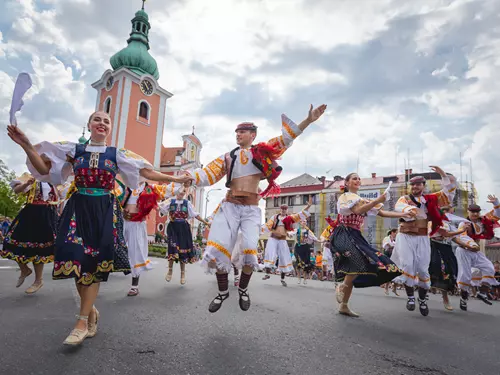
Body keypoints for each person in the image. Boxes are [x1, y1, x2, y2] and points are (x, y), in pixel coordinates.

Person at [7, 111, 191, 345]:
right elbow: (43, 169)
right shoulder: (75, 150)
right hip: (77, 206)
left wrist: (175, 180)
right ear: (89, 125)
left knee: (93, 264)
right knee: (75, 260)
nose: (102, 123)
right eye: (97, 119)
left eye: (106, 121)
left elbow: (146, 172)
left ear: (110, 128)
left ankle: (81, 321)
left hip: (104, 209)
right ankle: (91, 311)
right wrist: (25, 144)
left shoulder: (118, 154)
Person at [184, 104, 327, 312]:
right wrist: (190, 178)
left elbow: (285, 139)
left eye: (242, 132)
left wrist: (308, 121)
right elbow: (206, 175)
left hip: (250, 210)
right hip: (230, 206)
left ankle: (243, 289)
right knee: (216, 250)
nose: (238, 135)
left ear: (253, 135)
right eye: (236, 132)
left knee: (250, 251)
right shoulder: (228, 157)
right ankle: (222, 292)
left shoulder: (262, 152)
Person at [332, 173, 410, 317]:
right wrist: (377, 200)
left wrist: (403, 215)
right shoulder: (346, 197)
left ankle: (343, 305)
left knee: (355, 268)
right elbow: (357, 210)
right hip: (343, 233)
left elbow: (382, 213)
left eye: (359, 178)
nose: (357, 180)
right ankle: (342, 286)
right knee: (358, 262)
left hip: (355, 235)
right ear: (347, 183)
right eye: (354, 178)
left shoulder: (361, 199)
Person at [392, 167, 456, 316]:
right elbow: (399, 207)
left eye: (418, 184)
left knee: (422, 269)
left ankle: (422, 300)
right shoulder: (405, 199)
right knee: (407, 265)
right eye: (413, 184)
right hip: (405, 237)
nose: (415, 187)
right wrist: (411, 210)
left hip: (422, 238)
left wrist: (443, 174)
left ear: (423, 186)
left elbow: (449, 192)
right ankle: (410, 298)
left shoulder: (431, 199)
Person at [116, 179, 184, 296]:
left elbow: (166, 190)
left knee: (136, 253)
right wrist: (121, 211)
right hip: (123, 223)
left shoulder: (149, 188)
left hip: (137, 225)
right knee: (116, 247)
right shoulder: (125, 187)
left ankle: (134, 286)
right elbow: (114, 200)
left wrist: (181, 182)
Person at [1, 173, 58, 294]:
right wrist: (26, 184)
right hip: (30, 213)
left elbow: (61, 197)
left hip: (46, 215)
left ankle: (38, 280)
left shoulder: (54, 178)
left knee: (39, 247)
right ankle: (24, 269)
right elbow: (16, 190)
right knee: (10, 242)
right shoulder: (28, 176)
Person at [454, 197, 500, 311]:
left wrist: (496, 203)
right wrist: (471, 245)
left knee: (489, 267)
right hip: (464, 250)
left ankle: (482, 292)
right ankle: (463, 299)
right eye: (472, 211)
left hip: (476, 251)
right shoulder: (464, 223)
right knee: (465, 276)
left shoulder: (484, 220)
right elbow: (462, 236)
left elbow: (497, 215)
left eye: (476, 212)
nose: (475, 214)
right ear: (468, 212)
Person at [159, 188, 210, 285]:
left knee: (183, 250)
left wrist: (205, 222)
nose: (181, 193)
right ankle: (170, 270)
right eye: (180, 191)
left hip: (183, 228)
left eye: (183, 191)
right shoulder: (170, 201)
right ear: (177, 192)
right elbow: (160, 208)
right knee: (172, 248)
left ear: (185, 193)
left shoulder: (187, 203)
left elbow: (196, 215)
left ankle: (182, 274)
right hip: (173, 228)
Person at [263, 200, 312, 287]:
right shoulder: (274, 217)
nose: (283, 210)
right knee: (271, 254)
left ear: (287, 210)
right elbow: (267, 226)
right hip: (273, 239)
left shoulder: (289, 218)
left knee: (284, 258)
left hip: (282, 240)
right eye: (282, 209)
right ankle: (267, 273)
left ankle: (282, 279)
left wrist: (308, 207)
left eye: (285, 209)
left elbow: (299, 215)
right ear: (280, 209)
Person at [428, 206, 466, 311]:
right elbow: (445, 234)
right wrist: (461, 231)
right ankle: (425, 290)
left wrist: (466, 245)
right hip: (435, 247)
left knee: (450, 271)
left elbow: (453, 238)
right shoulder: (433, 222)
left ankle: (445, 297)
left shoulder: (448, 224)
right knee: (437, 266)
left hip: (447, 248)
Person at [293, 219, 321, 285]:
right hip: (298, 246)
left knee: (306, 264)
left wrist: (321, 241)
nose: (303, 222)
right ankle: (299, 278)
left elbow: (314, 238)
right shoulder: (297, 230)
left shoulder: (308, 231)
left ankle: (305, 279)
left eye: (305, 221)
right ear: (300, 223)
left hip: (305, 247)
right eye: (302, 221)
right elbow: (290, 233)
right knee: (298, 263)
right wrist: (288, 234)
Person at [381, 228, 399, 296]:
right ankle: (386, 288)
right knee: (389, 271)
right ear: (392, 232)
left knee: (397, 272)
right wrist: (392, 246)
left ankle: (394, 288)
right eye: (396, 233)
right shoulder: (387, 238)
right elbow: (386, 245)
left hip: (395, 256)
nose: (396, 234)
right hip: (387, 255)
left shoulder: (397, 240)